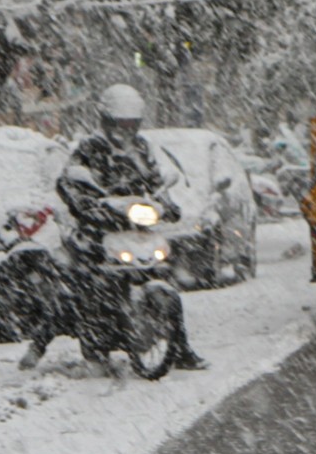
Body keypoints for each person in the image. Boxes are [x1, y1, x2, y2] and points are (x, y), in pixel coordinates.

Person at [19, 83, 208, 372]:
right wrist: (87, 206)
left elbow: (156, 183)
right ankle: (48, 340)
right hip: (96, 231)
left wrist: (168, 205)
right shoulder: (90, 148)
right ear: (106, 121)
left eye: (132, 124)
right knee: (83, 282)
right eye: (121, 124)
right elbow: (68, 182)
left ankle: (179, 347)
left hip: (134, 230)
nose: (126, 130)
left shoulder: (142, 148)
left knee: (163, 275)